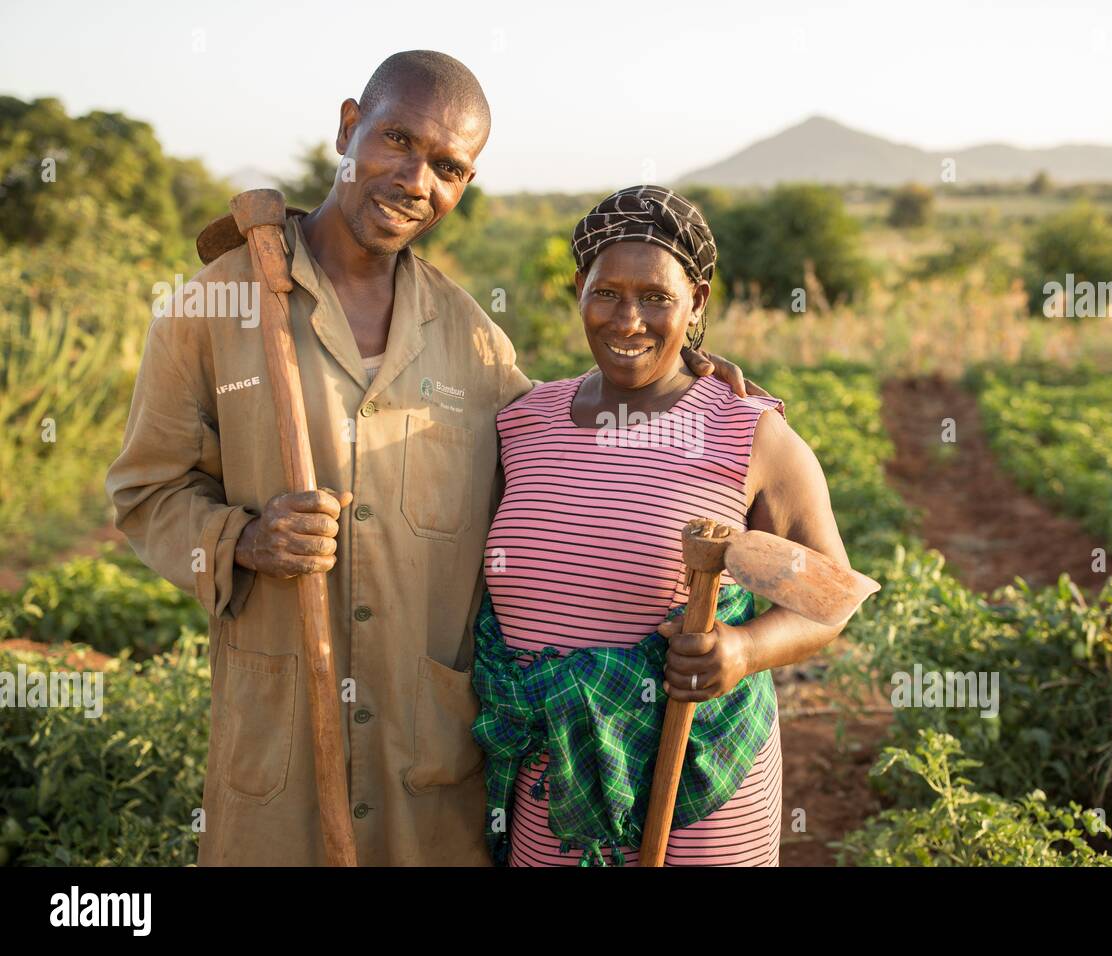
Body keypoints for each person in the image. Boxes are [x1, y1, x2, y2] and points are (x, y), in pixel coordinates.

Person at [105, 53, 752, 866]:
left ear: (465, 184)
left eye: (447, 167)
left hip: (430, 770)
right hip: (279, 755)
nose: (416, 180)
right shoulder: (216, 306)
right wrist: (244, 540)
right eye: (396, 140)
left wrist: (682, 376)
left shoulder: (472, 339)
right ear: (348, 127)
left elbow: (563, 446)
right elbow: (147, 491)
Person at [474, 186, 853, 866]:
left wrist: (741, 651)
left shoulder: (748, 432)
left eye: (656, 298)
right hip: (550, 777)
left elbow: (827, 599)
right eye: (606, 293)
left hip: (696, 780)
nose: (627, 321)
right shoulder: (523, 421)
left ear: (698, 302)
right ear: (578, 290)